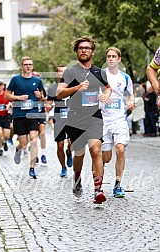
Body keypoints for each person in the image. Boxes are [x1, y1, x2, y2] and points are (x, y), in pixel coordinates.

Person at [57, 35, 112, 204]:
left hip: (95, 116)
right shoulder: (70, 71)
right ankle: (77, 178)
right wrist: (77, 87)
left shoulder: (99, 72)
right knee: (79, 154)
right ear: (76, 51)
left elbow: (108, 88)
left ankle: (98, 190)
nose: (84, 50)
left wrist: (105, 95)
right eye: (81, 48)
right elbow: (59, 93)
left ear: (92, 52)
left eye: (87, 48)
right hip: (75, 117)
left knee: (96, 151)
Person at [100, 47, 135, 198]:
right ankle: (98, 180)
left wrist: (131, 103)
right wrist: (99, 99)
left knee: (120, 149)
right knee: (106, 157)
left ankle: (118, 184)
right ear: (106, 59)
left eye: (114, 56)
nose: (111, 58)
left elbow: (130, 96)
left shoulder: (125, 78)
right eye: (109, 56)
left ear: (119, 59)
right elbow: (89, 96)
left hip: (120, 119)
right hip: (103, 121)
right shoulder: (100, 76)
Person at [5, 56, 44, 179]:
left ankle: (32, 168)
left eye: (30, 64)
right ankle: (18, 149)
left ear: (32, 66)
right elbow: (7, 95)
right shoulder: (15, 80)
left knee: (33, 140)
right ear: (22, 66)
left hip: (32, 114)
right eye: (26, 64)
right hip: (19, 115)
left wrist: (39, 96)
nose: (28, 66)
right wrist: (19, 98)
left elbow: (42, 97)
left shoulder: (37, 80)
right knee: (23, 143)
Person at [47, 65, 73, 177]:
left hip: (73, 118)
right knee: (60, 145)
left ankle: (69, 152)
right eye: (60, 71)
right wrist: (47, 106)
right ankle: (63, 168)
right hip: (59, 118)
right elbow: (48, 103)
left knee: (72, 143)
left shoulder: (74, 86)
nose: (62, 73)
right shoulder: (53, 89)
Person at [32, 71, 48, 166]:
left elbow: (46, 98)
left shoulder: (42, 88)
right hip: (32, 113)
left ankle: (43, 154)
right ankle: (35, 154)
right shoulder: (28, 88)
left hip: (40, 112)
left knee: (42, 133)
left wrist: (41, 97)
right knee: (33, 135)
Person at [0, 80, 12, 156]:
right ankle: (1, 148)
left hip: (6, 116)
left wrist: (9, 105)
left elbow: (12, 102)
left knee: (7, 135)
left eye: (0, 85)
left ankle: (5, 142)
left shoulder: (6, 94)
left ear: (3, 86)